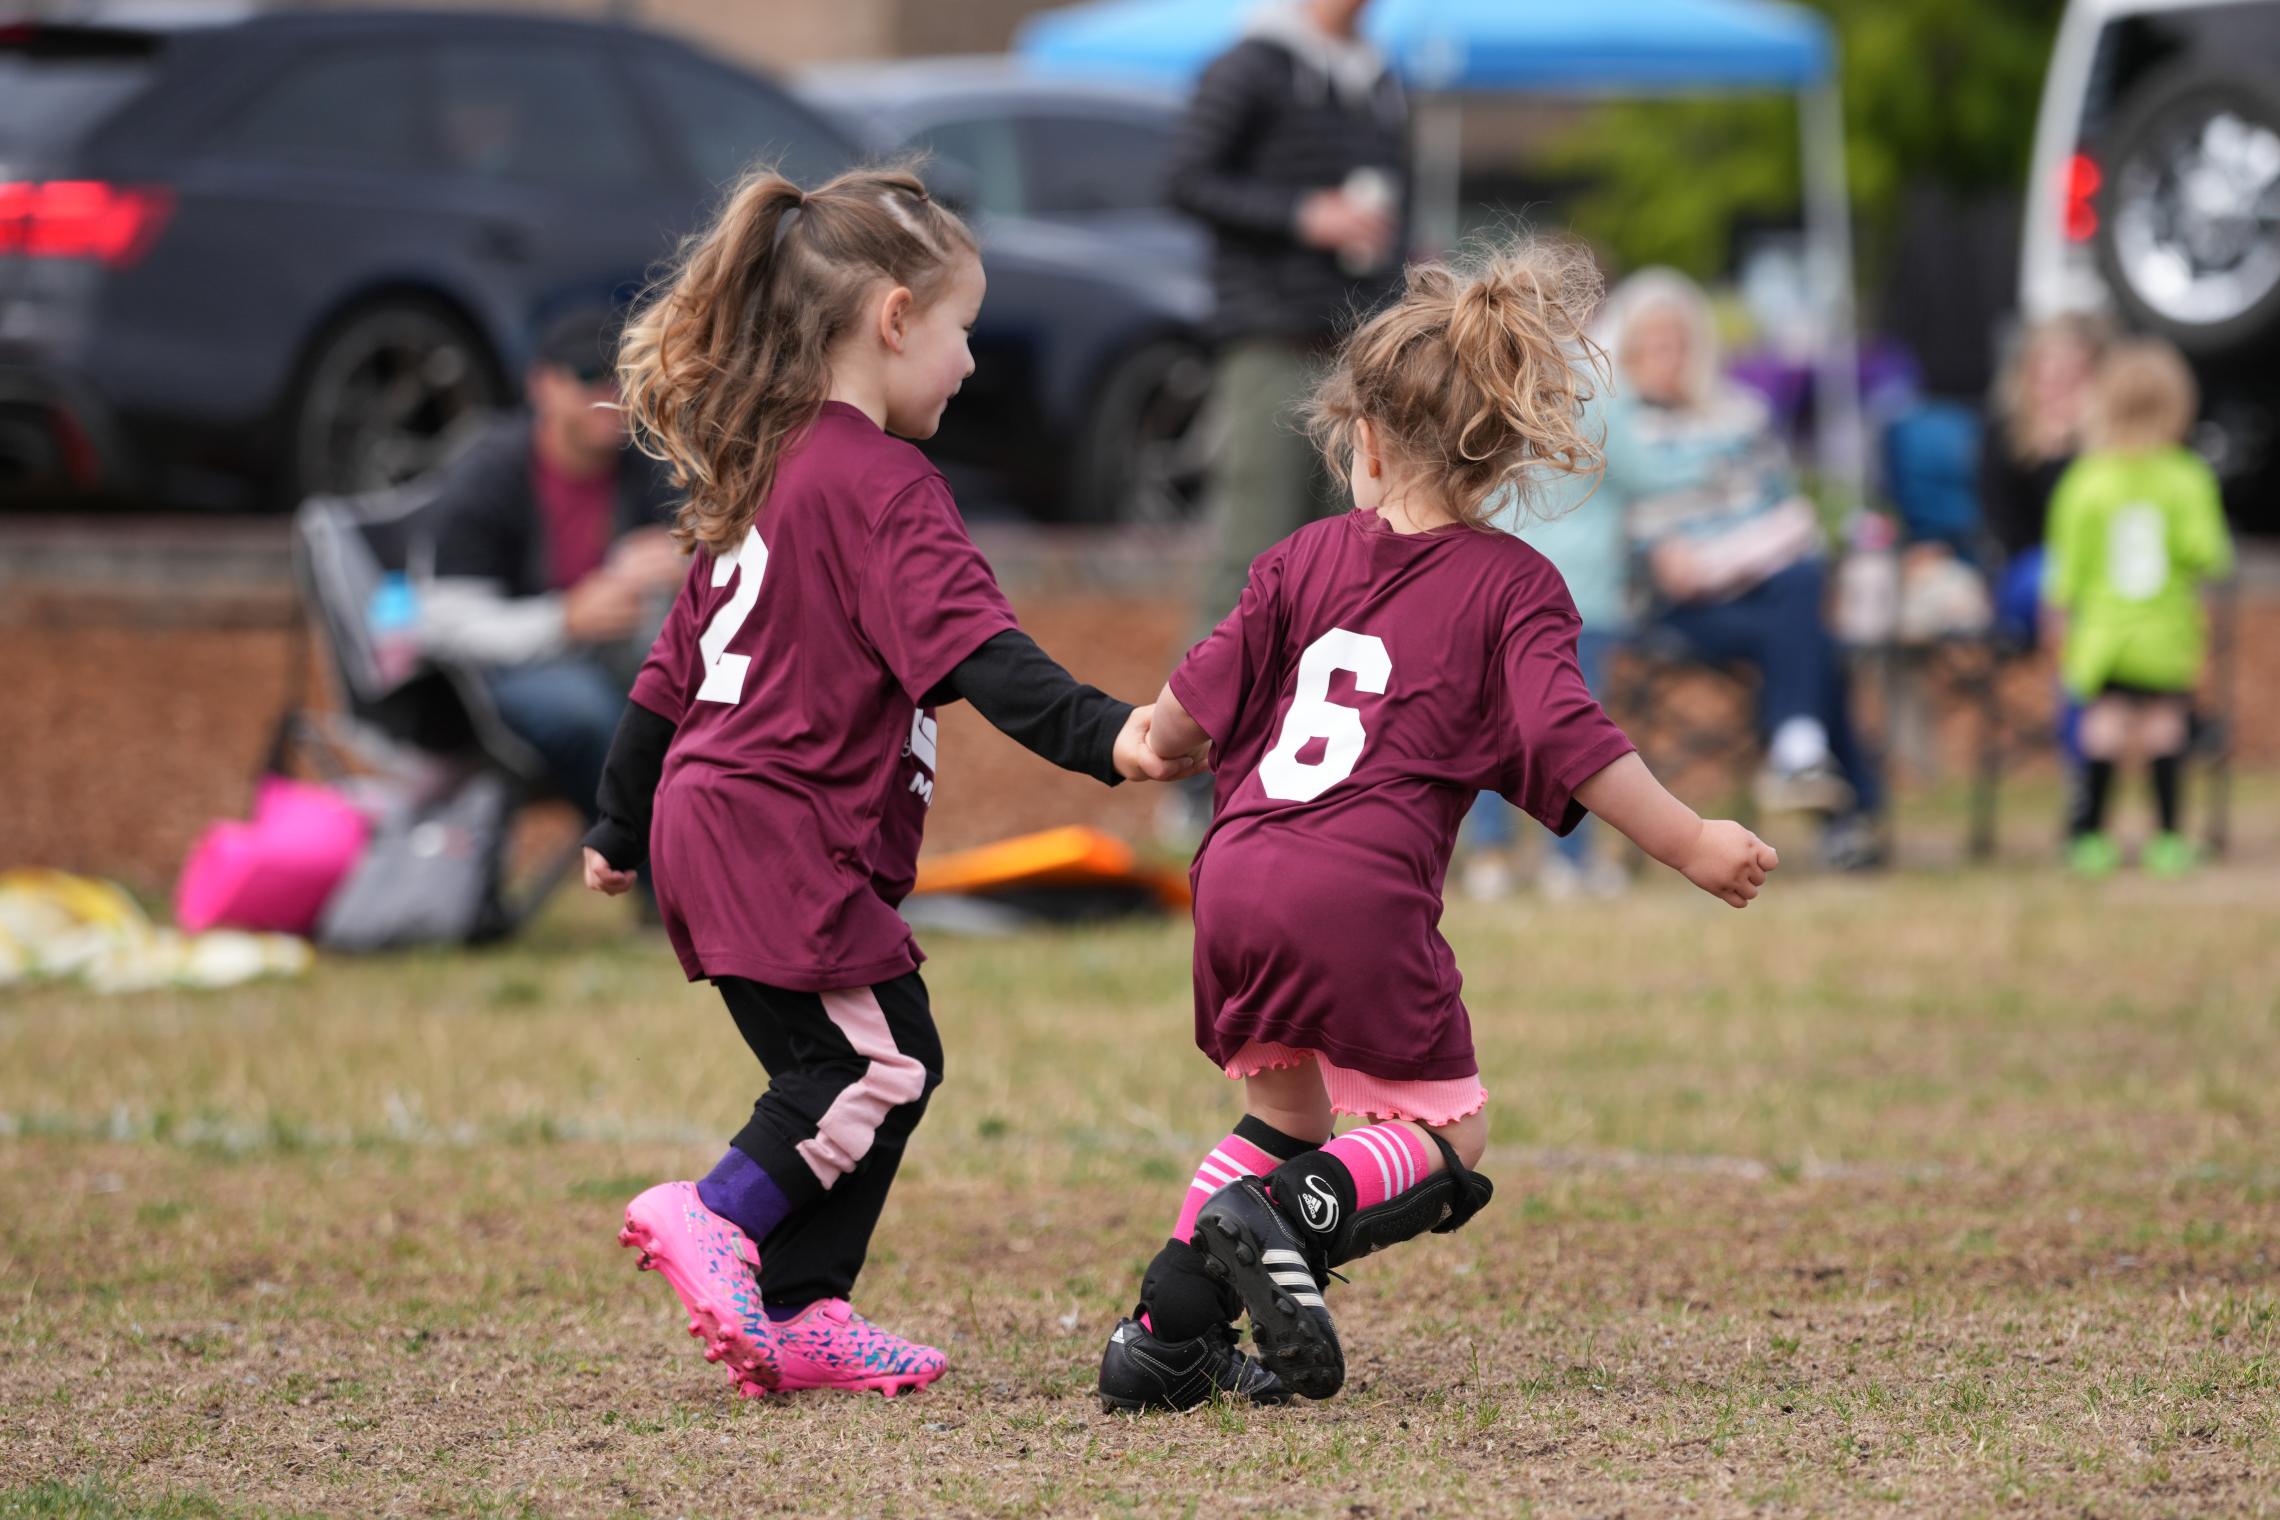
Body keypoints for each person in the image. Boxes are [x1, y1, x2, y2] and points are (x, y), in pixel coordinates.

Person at [1094, 240, 1779, 1413]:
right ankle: (1294, 1216)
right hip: (1357, 896)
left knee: (1285, 1113)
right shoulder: (1516, 586)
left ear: (1364, 438)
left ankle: (1162, 1333)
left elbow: (1174, 728)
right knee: (1449, 1133)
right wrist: (1691, 840)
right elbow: (1574, 741)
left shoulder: (1295, 558)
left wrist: (1143, 740)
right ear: (1504, 455)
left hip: (1238, 878)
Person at [581, 164, 1199, 1400]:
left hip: (712, 818)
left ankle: (806, 1310)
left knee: (887, 1050)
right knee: (869, 1066)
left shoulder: (763, 471)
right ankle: (717, 1214)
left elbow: (667, 673)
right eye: (963, 330)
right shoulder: (879, 483)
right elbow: (983, 655)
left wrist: (617, 817)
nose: (970, 365)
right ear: (895, 318)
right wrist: (1114, 734)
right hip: (778, 825)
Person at [1159, 0, 1410, 839]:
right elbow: (1185, 179)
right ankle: (1193, 774)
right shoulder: (1251, 65)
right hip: (1268, 340)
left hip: (1359, 347)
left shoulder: (1381, 80)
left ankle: (1327, 768)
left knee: (1355, 559)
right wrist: (1305, 214)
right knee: (1253, 553)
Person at [1594, 269, 1884, 866]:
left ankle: (1802, 753)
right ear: (1627, 352)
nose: (1666, 357)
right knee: (1811, 641)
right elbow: (1667, 562)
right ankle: (1835, 802)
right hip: (1682, 610)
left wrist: (1723, 556)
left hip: (1768, 589)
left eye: (1677, 342)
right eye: (1651, 345)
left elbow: (1795, 518)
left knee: (1800, 598)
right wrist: (1748, 549)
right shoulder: (1616, 429)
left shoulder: (1742, 415)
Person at [422, 308, 684, 821]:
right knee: (596, 713)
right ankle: (658, 877)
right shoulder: (488, 473)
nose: (611, 396)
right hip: (500, 673)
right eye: (588, 377)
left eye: (626, 378)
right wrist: (566, 618)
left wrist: (684, 559)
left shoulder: (646, 463)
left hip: (618, 655)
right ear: (541, 385)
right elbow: (441, 624)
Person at [2043, 338, 2233, 878]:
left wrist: (2058, 624)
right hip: (2164, 635)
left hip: (2102, 636)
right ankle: (2169, 840)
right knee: (2164, 728)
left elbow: (2066, 569)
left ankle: (2090, 840)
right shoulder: (2186, 477)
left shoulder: (2085, 480)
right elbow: (2209, 554)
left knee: (2101, 726)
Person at [1981, 313, 2108, 642]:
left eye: (2071, 378)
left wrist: (2082, 446)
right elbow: (2014, 532)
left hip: (2096, 573)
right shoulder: (2004, 439)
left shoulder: (2108, 444)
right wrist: (2055, 461)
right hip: (2029, 571)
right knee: (2060, 579)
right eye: (2049, 377)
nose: (2058, 390)